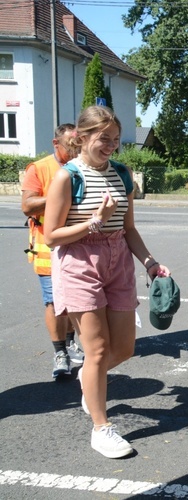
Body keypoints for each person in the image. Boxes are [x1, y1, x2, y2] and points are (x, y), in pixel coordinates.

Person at [44, 105, 170, 459]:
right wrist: (94, 221)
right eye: (104, 139)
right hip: (79, 260)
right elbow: (53, 235)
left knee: (125, 348)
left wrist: (150, 262)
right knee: (97, 350)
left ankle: (91, 381)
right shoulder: (67, 178)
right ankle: (102, 427)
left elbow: (128, 228)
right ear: (81, 138)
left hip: (118, 261)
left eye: (115, 139)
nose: (111, 145)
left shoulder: (122, 174)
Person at [21, 123, 84, 378]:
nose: (75, 148)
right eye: (71, 143)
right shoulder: (39, 168)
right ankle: (60, 352)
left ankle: (69, 342)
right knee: (54, 301)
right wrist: (58, 194)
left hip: (78, 246)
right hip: (48, 249)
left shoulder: (82, 166)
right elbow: (27, 206)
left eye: (78, 143)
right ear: (56, 143)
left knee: (71, 301)